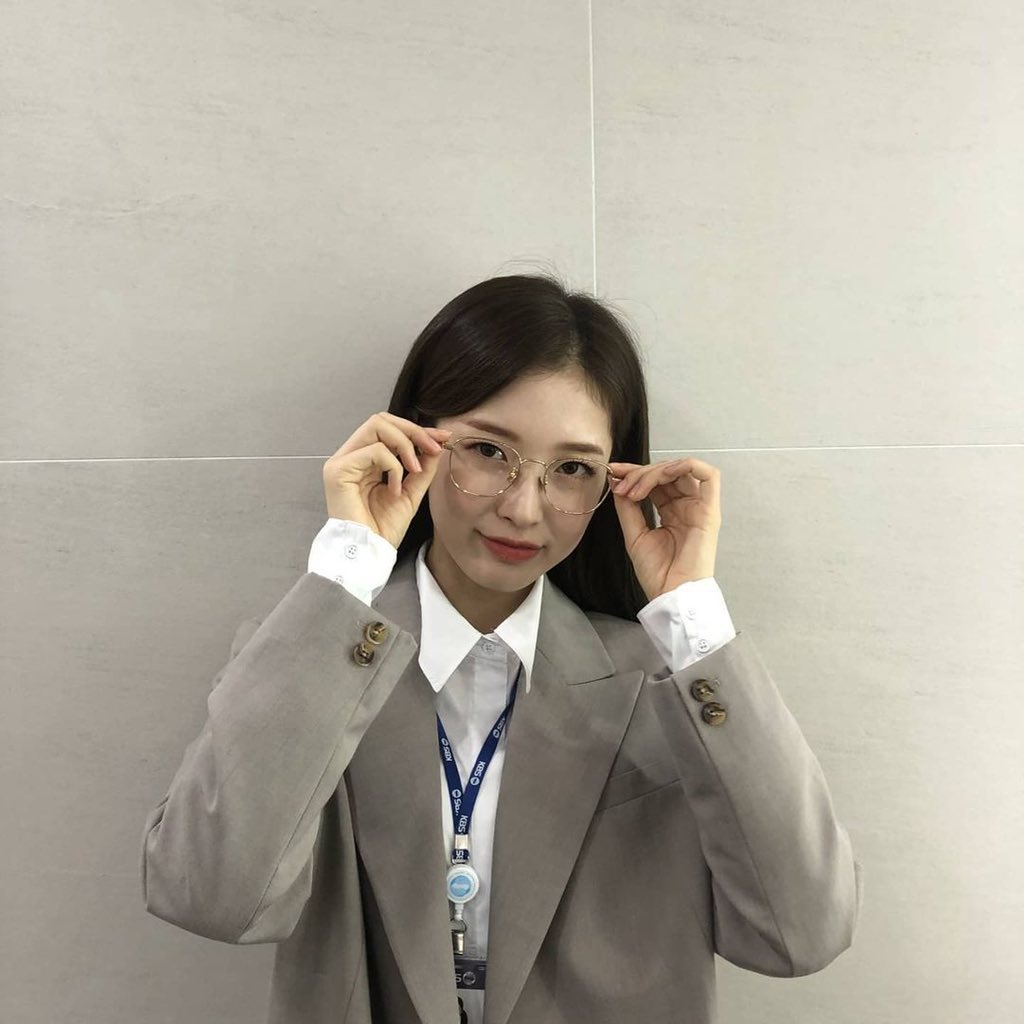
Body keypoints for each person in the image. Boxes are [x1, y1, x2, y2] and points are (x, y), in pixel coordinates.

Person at [140, 272, 863, 1024]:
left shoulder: (664, 685)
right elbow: (207, 895)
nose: (522, 508)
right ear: (412, 441)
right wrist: (349, 562)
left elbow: (802, 934)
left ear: (613, 482)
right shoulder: (314, 664)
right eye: (488, 450)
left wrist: (690, 612)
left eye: (573, 469)